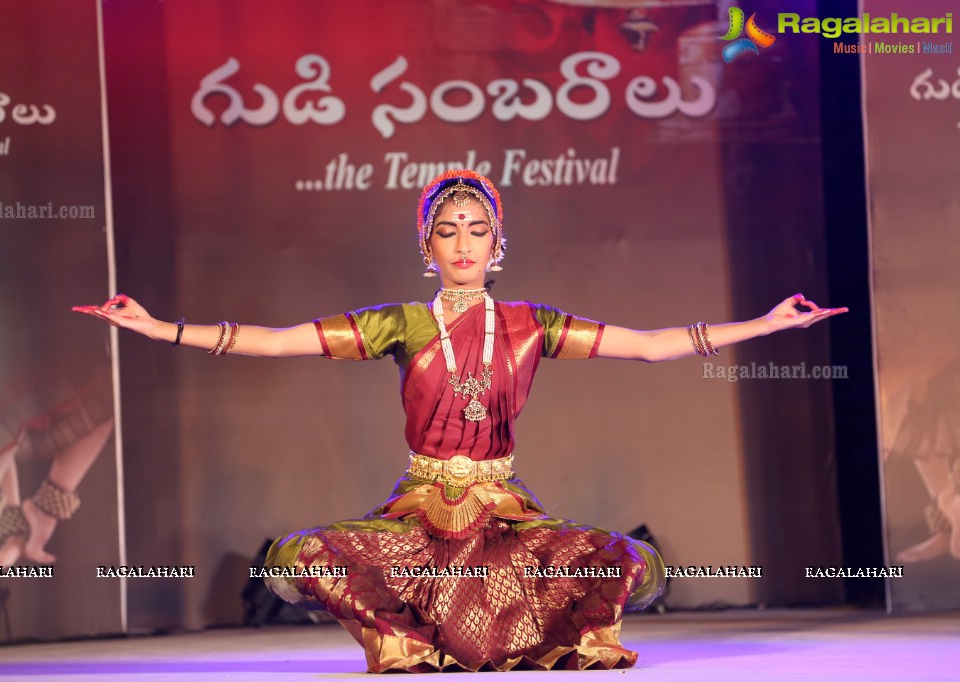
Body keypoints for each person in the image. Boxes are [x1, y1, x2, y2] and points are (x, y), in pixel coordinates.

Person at [74, 169, 847, 673]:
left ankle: (555, 641)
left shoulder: (530, 323)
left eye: (478, 229)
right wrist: (160, 328)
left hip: (504, 522)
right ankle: (404, 645)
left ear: (499, 245)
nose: (465, 243)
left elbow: (647, 348)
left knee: (626, 562)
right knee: (301, 556)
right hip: (418, 520)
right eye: (449, 230)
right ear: (427, 247)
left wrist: (764, 326)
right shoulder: (401, 323)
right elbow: (278, 341)